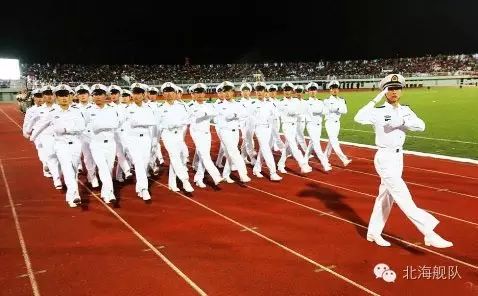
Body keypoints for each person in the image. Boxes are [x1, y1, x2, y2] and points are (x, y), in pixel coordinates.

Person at [354, 74, 453, 248]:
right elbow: (358, 117)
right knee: (402, 194)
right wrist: (375, 99)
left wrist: (402, 121)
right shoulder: (378, 112)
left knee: (385, 197)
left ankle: (373, 233)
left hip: (399, 157)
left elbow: (421, 126)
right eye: (390, 89)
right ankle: (429, 233)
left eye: (397, 88)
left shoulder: (406, 110)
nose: (394, 92)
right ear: (385, 91)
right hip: (384, 157)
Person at [30, 84, 86, 208]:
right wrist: (32, 137)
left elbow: (82, 127)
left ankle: (70, 196)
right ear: (56, 97)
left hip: (75, 144)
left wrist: (66, 129)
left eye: (66, 95)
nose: (64, 98)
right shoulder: (52, 112)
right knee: (66, 168)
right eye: (61, 96)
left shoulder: (77, 111)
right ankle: (75, 195)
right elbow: (41, 125)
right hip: (60, 145)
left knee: (74, 170)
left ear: (71, 96)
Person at [83, 84, 120, 204]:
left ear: (105, 95)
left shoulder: (112, 109)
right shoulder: (88, 111)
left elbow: (115, 124)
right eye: (95, 94)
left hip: (110, 144)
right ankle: (110, 192)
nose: (98, 97)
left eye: (100, 94)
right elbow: (84, 127)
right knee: (103, 168)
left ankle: (105, 193)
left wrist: (98, 126)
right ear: (92, 96)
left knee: (109, 169)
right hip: (96, 144)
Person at [123, 83, 157, 201]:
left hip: (146, 138)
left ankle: (139, 188)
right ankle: (144, 189)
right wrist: (144, 121)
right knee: (138, 163)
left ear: (143, 95)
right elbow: (130, 124)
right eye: (134, 93)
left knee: (144, 163)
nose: (136, 96)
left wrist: (140, 121)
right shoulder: (127, 109)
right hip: (133, 139)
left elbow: (153, 122)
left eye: (139, 93)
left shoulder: (149, 108)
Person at [158, 82, 194, 192]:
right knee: (174, 156)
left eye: (171, 91)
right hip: (167, 134)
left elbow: (188, 119)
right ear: (163, 94)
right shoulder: (159, 108)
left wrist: (178, 123)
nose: (168, 94)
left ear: (175, 93)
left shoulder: (182, 106)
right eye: (166, 91)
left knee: (180, 156)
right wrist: (169, 124)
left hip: (178, 134)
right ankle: (185, 180)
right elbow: (158, 123)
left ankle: (172, 183)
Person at [214, 81, 251, 183]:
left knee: (230, 154)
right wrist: (235, 115)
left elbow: (245, 114)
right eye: (224, 91)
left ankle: (225, 175)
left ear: (233, 92)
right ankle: (243, 174)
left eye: (228, 91)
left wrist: (234, 115)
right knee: (234, 152)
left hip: (235, 131)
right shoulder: (219, 105)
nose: (226, 94)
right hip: (225, 132)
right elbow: (227, 116)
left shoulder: (238, 104)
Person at [187, 83, 223, 187]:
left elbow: (214, 114)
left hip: (207, 133)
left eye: (202, 92)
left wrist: (204, 114)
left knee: (204, 155)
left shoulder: (209, 105)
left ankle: (198, 178)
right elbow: (195, 117)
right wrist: (206, 114)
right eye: (197, 93)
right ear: (192, 95)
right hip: (196, 132)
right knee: (205, 155)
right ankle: (216, 176)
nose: (200, 95)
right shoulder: (190, 106)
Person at [249, 82, 282, 181]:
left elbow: (277, 114)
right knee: (266, 149)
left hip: (269, 128)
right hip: (259, 129)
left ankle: (256, 168)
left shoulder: (270, 103)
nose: (259, 92)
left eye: (261, 90)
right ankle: (273, 172)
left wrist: (272, 117)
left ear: (265, 91)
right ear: (255, 92)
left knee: (263, 150)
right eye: (257, 90)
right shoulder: (253, 104)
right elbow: (250, 118)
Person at [277, 82, 312, 174]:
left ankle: (280, 165)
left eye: (288, 90)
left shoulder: (296, 101)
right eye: (285, 90)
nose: (287, 92)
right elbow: (285, 113)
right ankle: (303, 164)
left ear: (292, 91)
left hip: (295, 125)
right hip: (287, 126)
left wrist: (294, 112)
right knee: (293, 145)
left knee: (288, 147)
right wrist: (294, 112)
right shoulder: (280, 102)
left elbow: (301, 111)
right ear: (283, 91)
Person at [303, 82, 332, 171]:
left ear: (316, 91)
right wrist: (319, 110)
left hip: (319, 125)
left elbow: (325, 111)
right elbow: (316, 111)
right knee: (316, 144)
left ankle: (304, 160)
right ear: (308, 92)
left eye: (314, 90)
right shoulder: (306, 102)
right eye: (311, 90)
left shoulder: (320, 101)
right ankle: (325, 164)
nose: (313, 92)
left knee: (312, 143)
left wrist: (318, 111)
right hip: (311, 125)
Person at [323, 80, 352, 166]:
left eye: (336, 88)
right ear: (330, 90)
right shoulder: (326, 100)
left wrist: (337, 108)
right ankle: (344, 159)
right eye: (333, 88)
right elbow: (329, 110)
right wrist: (339, 108)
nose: (335, 90)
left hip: (337, 123)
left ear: (338, 90)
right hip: (329, 123)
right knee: (334, 141)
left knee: (331, 142)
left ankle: (324, 158)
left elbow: (345, 111)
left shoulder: (342, 100)